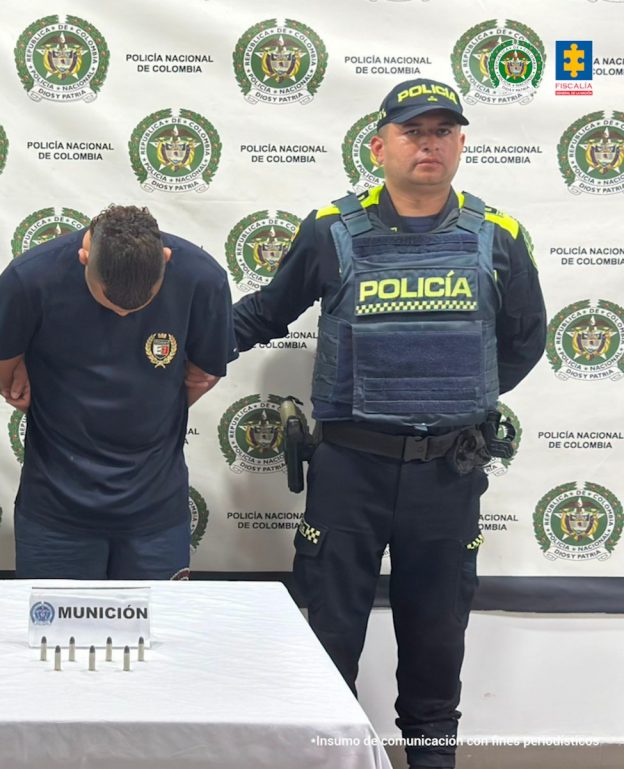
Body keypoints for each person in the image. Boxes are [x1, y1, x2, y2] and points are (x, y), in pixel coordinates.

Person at [233, 79, 546, 769]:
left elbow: (524, 342)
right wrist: (181, 351)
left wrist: (463, 401)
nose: (428, 142)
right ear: (379, 147)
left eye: (442, 130)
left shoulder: (498, 238)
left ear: (461, 143)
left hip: (447, 474)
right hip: (350, 471)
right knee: (327, 650)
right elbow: (262, 314)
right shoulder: (332, 230)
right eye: (413, 130)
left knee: (435, 656)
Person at [0, 205, 237, 579]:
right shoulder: (29, 279)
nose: (122, 316)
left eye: (141, 304)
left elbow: (200, 376)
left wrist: (148, 406)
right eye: (109, 301)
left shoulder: (203, 279)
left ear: (165, 260)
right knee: (60, 637)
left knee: (155, 636)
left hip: (156, 513)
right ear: (84, 257)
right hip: (56, 511)